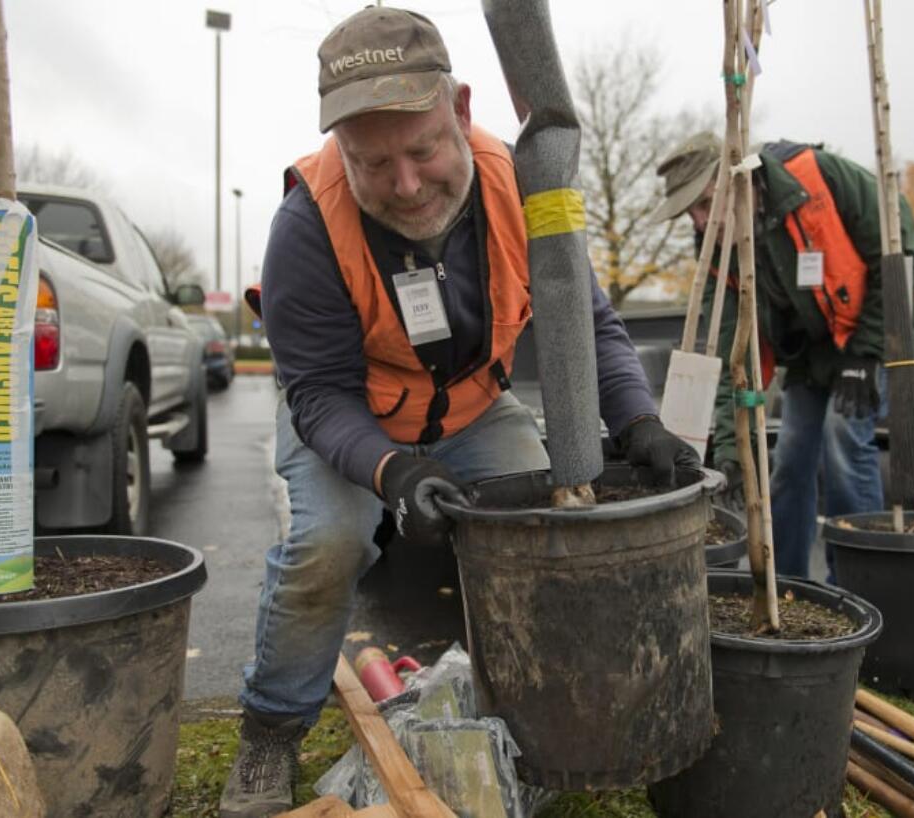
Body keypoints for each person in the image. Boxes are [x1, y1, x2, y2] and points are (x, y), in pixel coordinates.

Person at [220, 8, 696, 816]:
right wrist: (391, 472)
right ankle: (270, 732)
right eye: (374, 163)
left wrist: (640, 422)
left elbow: (591, 325)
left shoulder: (528, 186)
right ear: (341, 150)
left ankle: (540, 724)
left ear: (463, 111)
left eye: (423, 150)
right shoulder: (306, 226)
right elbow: (318, 397)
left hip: (475, 411)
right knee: (328, 546)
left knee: (552, 531)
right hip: (354, 425)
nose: (405, 185)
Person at [652, 132, 914, 580]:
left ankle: (859, 581)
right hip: (813, 352)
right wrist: (729, 448)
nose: (700, 223)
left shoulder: (821, 177)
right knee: (792, 456)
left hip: (878, 332)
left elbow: (903, 252)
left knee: (845, 440)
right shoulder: (719, 254)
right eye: (691, 214)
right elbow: (730, 354)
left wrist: (866, 355)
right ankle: (787, 585)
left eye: (704, 205)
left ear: (734, 181)